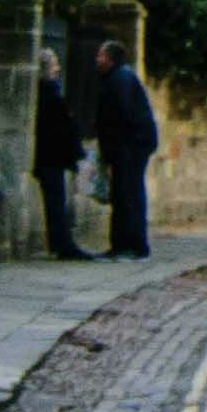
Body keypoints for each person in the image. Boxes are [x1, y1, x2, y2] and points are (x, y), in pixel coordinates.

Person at [84, 39, 162, 260]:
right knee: (124, 194)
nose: (97, 59)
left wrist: (112, 150)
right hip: (129, 144)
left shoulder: (120, 79)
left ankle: (131, 246)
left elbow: (120, 116)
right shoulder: (116, 78)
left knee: (127, 194)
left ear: (110, 59)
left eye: (100, 55)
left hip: (131, 145)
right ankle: (123, 244)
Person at [32, 39, 89, 260]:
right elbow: (61, 127)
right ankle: (62, 244)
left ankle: (61, 242)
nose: (57, 68)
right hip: (51, 157)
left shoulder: (48, 93)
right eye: (54, 64)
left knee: (57, 201)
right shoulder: (49, 94)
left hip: (51, 157)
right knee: (56, 202)